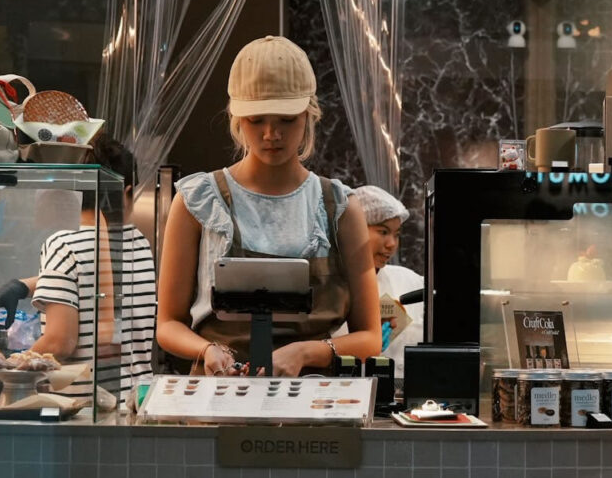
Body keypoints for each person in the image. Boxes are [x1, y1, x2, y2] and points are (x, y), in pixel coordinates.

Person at [157, 35, 382, 377]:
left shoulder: (339, 207)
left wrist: (307, 352)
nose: (271, 133)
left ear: (309, 115)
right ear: (236, 118)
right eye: (256, 119)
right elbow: (168, 324)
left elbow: (370, 337)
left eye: (286, 119)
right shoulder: (197, 201)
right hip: (221, 391)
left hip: (314, 398)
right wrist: (207, 349)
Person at [0, 134, 156, 401]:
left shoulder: (63, 245)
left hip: (84, 407)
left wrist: (7, 369)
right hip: (135, 402)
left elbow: (59, 342)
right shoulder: (140, 244)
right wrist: (24, 286)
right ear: (128, 192)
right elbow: (90, 277)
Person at [333, 185, 424, 381]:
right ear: (352, 230)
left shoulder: (409, 281)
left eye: (397, 234)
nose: (392, 244)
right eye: (383, 232)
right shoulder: (328, 287)